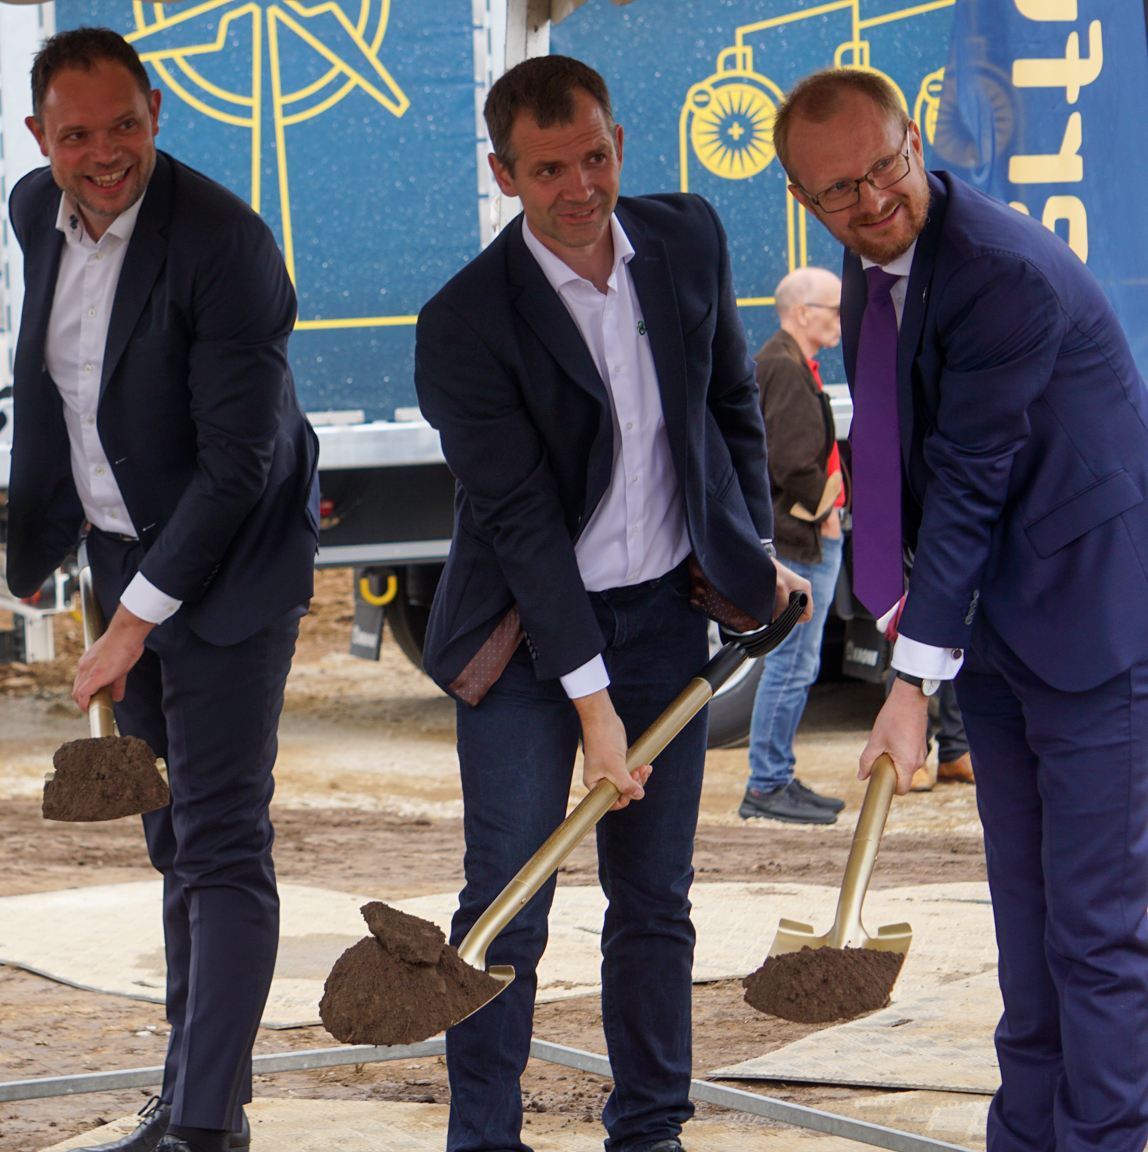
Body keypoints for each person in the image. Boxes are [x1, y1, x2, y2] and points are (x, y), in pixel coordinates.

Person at [414, 56, 808, 1152]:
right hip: (526, 641)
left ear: (619, 143)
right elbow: (523, 530)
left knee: (653, 903)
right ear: (504, 174)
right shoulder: (464, 323)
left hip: (664, 622)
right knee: (507, 902)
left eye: (593, 157)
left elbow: (727, 403)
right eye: (547, 171)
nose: (578, 188)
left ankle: (649, 1132)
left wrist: (747, 553)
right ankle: (484, 1141)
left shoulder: (685, 238)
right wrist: (592, 707)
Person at [776, 67, 1148, 1152]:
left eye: (885, 166)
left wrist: (907, 686)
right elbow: (907, 465)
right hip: (996, 636)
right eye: (838, 190)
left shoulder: (998, 273)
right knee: (1027, 938)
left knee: (1095, 936)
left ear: (914, 140)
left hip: (1090, 630)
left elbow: (970, 479)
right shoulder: (874, 275)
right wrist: (923, 643)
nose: (871, 199)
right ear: (804, 199)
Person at [4, 28, 318, 1152]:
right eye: (76, 135)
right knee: (170, 839)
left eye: (125, 126)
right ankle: (197, 1093)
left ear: (156, 110)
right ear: (38, 136)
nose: (105, 155)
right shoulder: (34, 212)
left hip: (231, 567)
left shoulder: (226, 245)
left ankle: (201, 1125)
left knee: (220, 840)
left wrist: (130, 624)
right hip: (118, 552)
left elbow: (238, 466)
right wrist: (74, 556)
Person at [741, 266, 850, 824]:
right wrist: (826, 513)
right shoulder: (783, 367)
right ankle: (766, 785)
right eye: (834, 309)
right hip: (801, 541)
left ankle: (777, 776)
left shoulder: (788, 362)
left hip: (803, 536)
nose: (842, 318)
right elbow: (789, 462)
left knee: (796, 663)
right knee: (790, 664)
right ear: (803, 313)